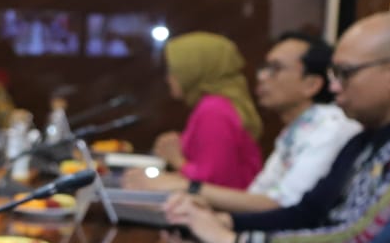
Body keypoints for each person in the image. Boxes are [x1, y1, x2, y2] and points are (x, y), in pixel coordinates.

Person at [169, 14, 390, 243]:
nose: (334, 87)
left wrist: (234, 242)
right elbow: (309, 212)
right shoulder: (366, 138)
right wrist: (227, 222)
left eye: (344, 73)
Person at [126, 32, 359, 211]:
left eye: (274, 69)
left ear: (312, 84)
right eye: (264, 68)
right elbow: (260, 193)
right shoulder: (296, 129)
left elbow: (283, 205)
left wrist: (181, 178)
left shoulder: (329, 128)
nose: (261, 77)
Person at [150, 32, 264, 189]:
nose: (168, 77)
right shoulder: (216, 105)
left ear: (195, 69)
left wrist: (176, 159)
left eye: (174, 69)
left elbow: (213, 183)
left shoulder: (214, 110)